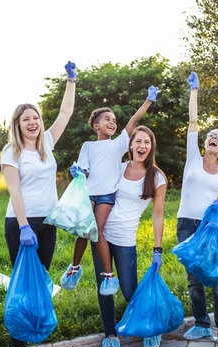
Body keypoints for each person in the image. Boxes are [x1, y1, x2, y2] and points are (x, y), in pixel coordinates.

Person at [1, 61, 77, 347]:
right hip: (23, 224)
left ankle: (29, 335)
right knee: (26, 286)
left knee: (42, 281)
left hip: (47, 222)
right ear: (17, 125)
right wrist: (23, 227)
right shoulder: (12, 152)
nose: (32, 122)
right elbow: (14, 192)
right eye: (25, 119)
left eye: (35, 118)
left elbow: (65, 114)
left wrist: (71, 81)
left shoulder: (46, 143)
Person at [61, 87, 158, 292]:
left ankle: (108, 275)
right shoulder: (87, 146)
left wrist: (148, 100)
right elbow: (84, 172)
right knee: (84, 231)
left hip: (106, 195)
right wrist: (78, 172)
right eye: (107, 119)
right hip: (89, 193)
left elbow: (134, 121)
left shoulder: (118, 144)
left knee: (98, 230)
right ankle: (74, 267)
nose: (112, 122)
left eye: (113, 119)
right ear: (96, 125)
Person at [176, 72, 218, 347]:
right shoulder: (193, 158)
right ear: (205, 143)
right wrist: (195, 91)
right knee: (194, 279)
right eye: (211, 135)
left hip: (209, 228)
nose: (214, 138)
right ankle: (201, 323)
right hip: (186, 225)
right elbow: (192, 122)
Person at [91, 125, 167, 347]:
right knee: (105, 287)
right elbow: (94, 182)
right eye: (138, 141)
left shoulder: (157, 177)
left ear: (151, 147)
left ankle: (150, 328)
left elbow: (158, 215)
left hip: (125, 239)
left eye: (147, 142)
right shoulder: (118, 168)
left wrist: (157, 249)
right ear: (130, 145)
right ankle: (110, 334)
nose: (142, 146)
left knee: (128, 290)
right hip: (100, 236)